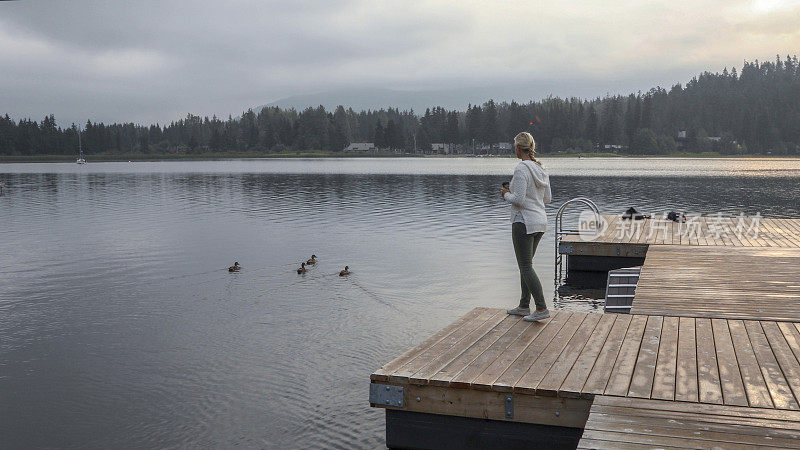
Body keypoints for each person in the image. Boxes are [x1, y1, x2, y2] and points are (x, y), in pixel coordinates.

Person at [501, 132, 552, 322]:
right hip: (540, 222)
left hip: (523, 221)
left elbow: (519, 200)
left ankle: (541, 308)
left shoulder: (522, 169)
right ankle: (524, 305)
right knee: (526, 265)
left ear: (517, 148)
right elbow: (547, 199)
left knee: (525, 266)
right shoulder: (541, 169)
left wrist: (506, 193)